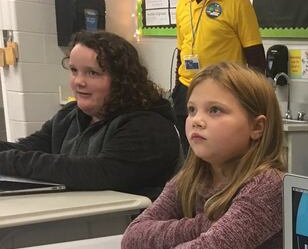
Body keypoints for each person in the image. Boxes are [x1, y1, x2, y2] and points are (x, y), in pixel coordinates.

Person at [121, 62, 285, 249]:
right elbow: (132, 239)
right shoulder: (190, 178)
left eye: (215, 110)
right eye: (192, 110)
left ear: (257, 127)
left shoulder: (269, 184)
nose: (196, 120)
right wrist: (205, 227)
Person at [0, 31, 180, 200]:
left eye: (92, 73)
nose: (79, 81)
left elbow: (97, 173)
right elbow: (28, 149)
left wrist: (9, 161)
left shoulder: (149, 126)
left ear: (122, 79)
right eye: (74, 70)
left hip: (126, 227)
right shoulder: (69, 115)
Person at [172, 0, 266, 151]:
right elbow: (181, 51)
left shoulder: (237, 2)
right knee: (189, 157)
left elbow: (256, 58)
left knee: (220, 154)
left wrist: (257, 102)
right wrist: (178, 86)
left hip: (223, 91)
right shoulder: (182, 4)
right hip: (186, 91)